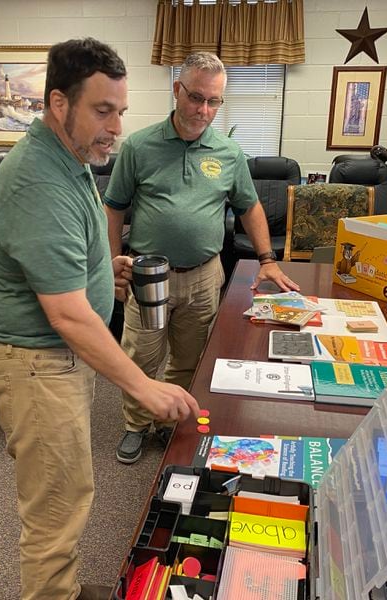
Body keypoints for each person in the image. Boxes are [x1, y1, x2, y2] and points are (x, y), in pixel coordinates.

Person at [0, 38, 200, 600]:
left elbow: (69, 262)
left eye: (121, 112)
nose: (115, 127)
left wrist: (107, 268)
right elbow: (67, 315)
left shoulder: (69, 158)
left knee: (69, 492)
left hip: (53, 362)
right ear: (59, 103)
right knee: (55, 510)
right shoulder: (37, 179)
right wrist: (143, 385)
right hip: (35, 366)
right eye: (102, 111)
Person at [104, 51, 300, 465]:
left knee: (189, 357)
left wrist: (267, 259)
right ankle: (136, 424)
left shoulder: (228, 153)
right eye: (196, 97)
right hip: (149, 275)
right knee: (141, 355)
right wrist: (111, 262)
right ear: (177, 90)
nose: (204, 110)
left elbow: (249, 207)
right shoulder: (139, 147)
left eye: (214, 102)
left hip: (205, 275)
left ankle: (166, 420)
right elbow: (114, 208)